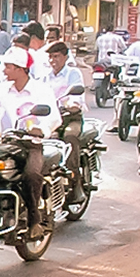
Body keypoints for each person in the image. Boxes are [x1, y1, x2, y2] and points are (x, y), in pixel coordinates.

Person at [0, 46, 62, 239]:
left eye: (8, 66)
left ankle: (34, 221)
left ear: (21, 69)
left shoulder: (40, 90)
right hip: (2, 143)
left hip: (30, 144)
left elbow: (54, 117)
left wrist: (41, 130)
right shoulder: (0, 89)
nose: (4, 70)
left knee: (31, 175)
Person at [43, 41, 88, 204]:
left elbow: (76, 96)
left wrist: (72, 104)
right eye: (50, 57)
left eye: (56, 56)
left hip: (70, 117)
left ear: (65, 57)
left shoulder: (73, 74)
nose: (53, 60)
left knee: (70, 138)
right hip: (50, 118)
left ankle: (75, 183)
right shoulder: (44, 77)